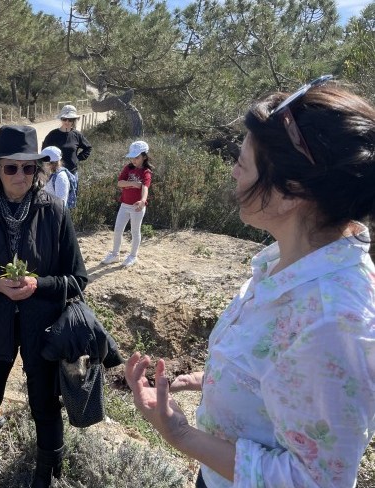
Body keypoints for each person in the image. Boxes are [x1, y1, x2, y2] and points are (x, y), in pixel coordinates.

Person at [125, 76, 375, 488]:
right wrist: (217, 380)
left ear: (290, 191)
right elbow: (286, 375)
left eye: (243, 163)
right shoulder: (286, 261)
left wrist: (179, 433)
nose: (234, 173)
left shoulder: (336, 324)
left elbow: (313, 481)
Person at [0, 125, 88, 488]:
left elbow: (77, 279)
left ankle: (47, 475)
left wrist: (37, 285)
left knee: (44, 404)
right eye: (11, 167)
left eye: (29, 168)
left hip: (41, 326)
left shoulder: (54, 211)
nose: (21, 175)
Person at [100, 140, 152, 267]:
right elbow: (120, 183)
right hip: (124, 205)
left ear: (144, 157)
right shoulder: (128, 168)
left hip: (137, 207)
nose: (134, 160)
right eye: (132, 157)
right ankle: (115, 255)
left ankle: (133, 256)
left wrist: (143, 201)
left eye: (137, 157)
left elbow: (145, 187)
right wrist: (133, 183)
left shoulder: (146, 172)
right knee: (118, 230)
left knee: (135, 231)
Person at [41, 104, 92, 175]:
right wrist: (48, 166)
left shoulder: (77, 135)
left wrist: (77, 158)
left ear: (74, 120)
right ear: (61, 119)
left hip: (72, 173)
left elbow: (88, 148)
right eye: (64, 119)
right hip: (55, 174)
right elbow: (44, 152)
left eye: (70, 119)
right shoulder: (52, 135)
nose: (67, 122)